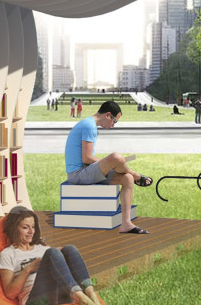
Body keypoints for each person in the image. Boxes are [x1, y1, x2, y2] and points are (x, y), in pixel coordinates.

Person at [0, 207, 110, 305]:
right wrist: (28, 269)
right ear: (14, 228)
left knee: (70, 249)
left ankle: (92, 296)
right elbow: (10, 293)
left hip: (61, 295)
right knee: (52, 252)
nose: (31, 231)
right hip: (37, 302)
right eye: (25, 227)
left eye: (33, 227)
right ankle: (83, 300)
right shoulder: (7, 254)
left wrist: (62, 254)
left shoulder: (42, 248)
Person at [64, 100, 152, 234]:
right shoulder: (89, 126)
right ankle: (136, 175)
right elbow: (86, 158)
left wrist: (109, 165)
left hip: (86, 170)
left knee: (127, 179)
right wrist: (111, 164)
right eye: (114, 121)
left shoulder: (89, 125)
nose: (113, 125)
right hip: (78, 174)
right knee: (116, 157)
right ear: (108, 115)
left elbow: (88, 159)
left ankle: (126, 224)